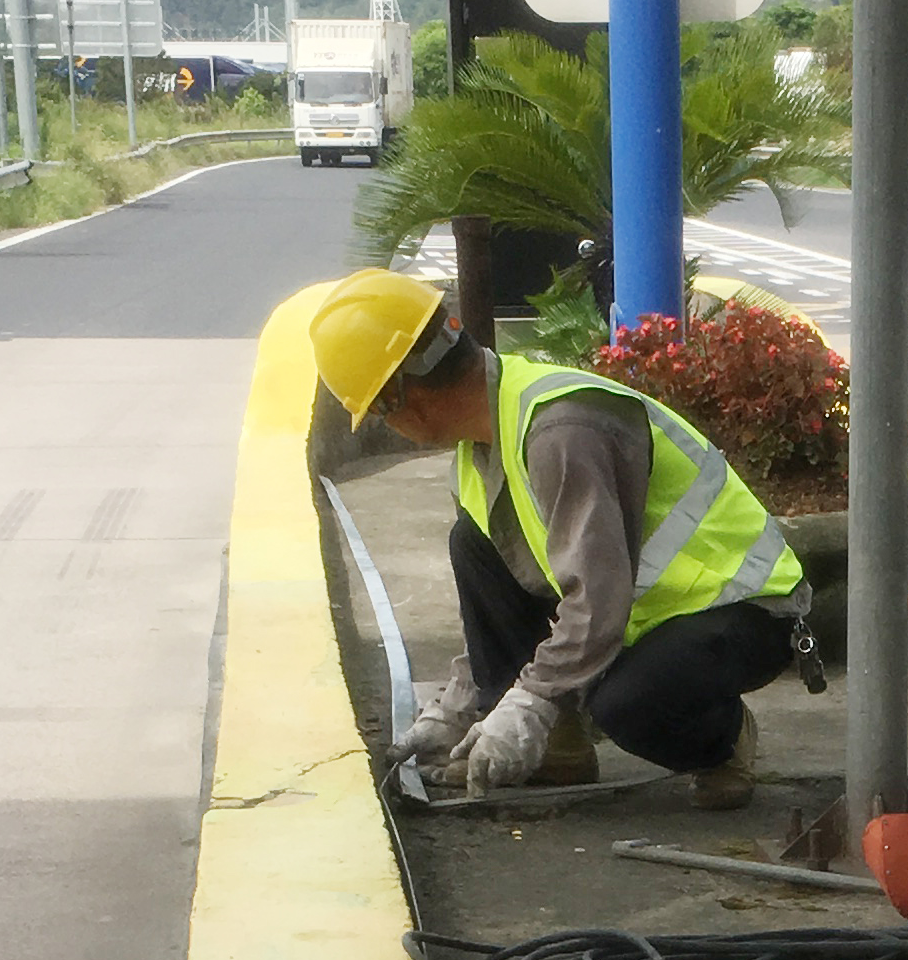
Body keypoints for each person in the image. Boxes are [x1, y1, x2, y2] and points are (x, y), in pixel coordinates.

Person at [309, 268, 817, 808]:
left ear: (399, 400)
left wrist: (531, 702)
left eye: (377, 411)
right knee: (473, 544)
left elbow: (597, 600)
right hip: (641, 614)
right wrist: (460, 707)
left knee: (625, 705)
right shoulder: (481, 447)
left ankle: (724, 742)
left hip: (740, 610)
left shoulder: (560, 431)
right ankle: (557, 747)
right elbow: (512, 608)